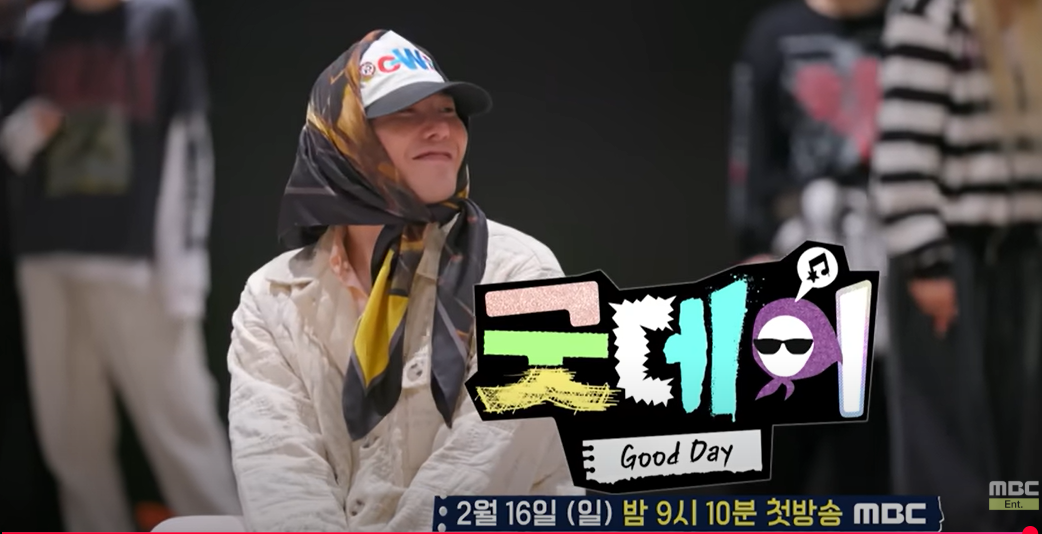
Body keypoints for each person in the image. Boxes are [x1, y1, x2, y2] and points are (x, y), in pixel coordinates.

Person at [222, 29, 577, 532]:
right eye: (406, 113)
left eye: (448, 111)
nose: (440, 130)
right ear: (342, 139)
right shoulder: (269, 295)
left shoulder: (534, 275)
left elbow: (482, 470)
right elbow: (277, 465)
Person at [0, 0, 241, 531]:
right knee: (70, 439)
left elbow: (187, 145)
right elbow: (11, 143)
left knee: (182, 430)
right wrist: (30, 125)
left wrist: (184, 269)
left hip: (138, 267)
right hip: (46, 261)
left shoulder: (161, 20)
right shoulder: (39, 30)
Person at [870, 0, 1042, 530]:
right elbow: (902, 151)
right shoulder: (933, 12)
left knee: (1022, 461)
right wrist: (927, 262)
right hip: (952, 258)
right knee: (950, 458)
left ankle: (1015, 524)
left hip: (1023, 256)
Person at [726, 0, 892, 495]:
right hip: (796, 251)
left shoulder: (907, 28)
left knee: (870, 446)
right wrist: (755, 243)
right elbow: (748, 148)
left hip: (886, 261)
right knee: (777, 438)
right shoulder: (776, 35)